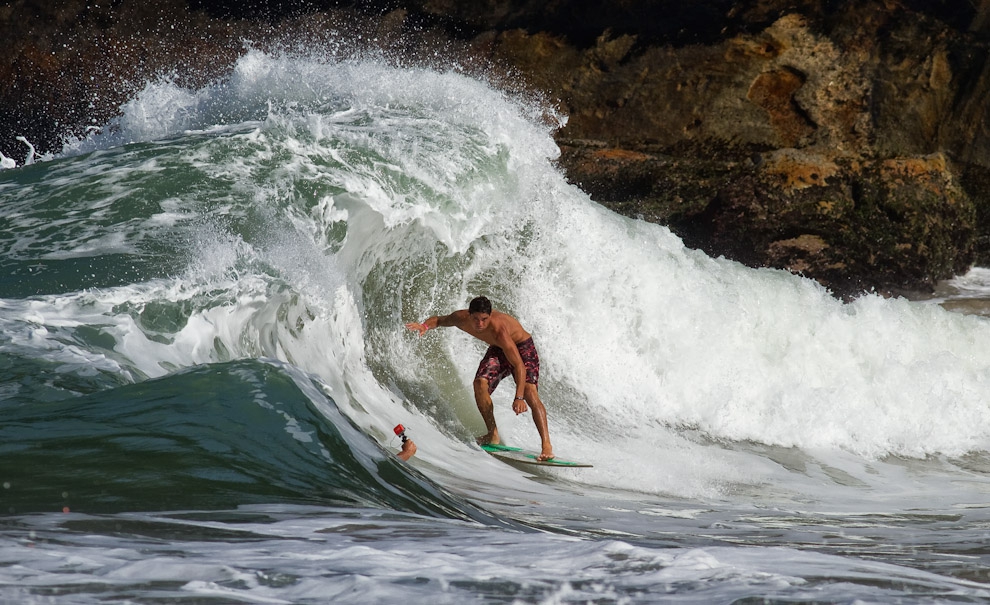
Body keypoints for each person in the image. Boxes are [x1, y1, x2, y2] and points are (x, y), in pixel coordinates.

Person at [406, 296, 554, 461]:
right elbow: (439, 320)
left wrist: (518, 397)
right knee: (479, 384)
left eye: (484, 319)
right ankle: (492, 434)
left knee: (529, 393)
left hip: (522, 347)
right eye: (476, 319)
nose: (480, 324)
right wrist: (425, 325)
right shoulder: (460, 318)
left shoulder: (499, 330)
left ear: (490, 316)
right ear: (469, 315)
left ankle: (546, 445)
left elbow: (519, 365)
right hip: (499, 349)